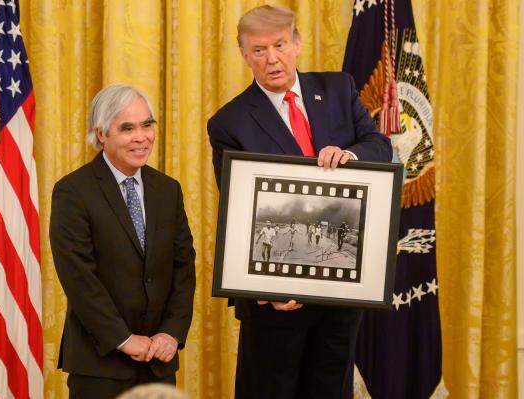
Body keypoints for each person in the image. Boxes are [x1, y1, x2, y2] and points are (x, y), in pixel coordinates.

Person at [207, 5, 391, 399]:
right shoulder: (229, 123)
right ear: (244, 55)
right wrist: (265, 287)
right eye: (258, 50)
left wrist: (352, 157)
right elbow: (239, 210)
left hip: (340, 297)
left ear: (297, 44)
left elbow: (380, 145)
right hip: (276, 301)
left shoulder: (339, 88)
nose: (271, 58)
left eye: (279, 45)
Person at [50, 84, 196, 399]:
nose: (141, 137)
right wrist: (123, 339)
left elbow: (183, 267)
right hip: (99, 364)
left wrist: (171, 333)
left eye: (147, 125)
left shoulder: (168, 190)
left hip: (159, 362)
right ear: (101, 133)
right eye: (127, 128)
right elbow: (78, 278)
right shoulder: (73, 191)